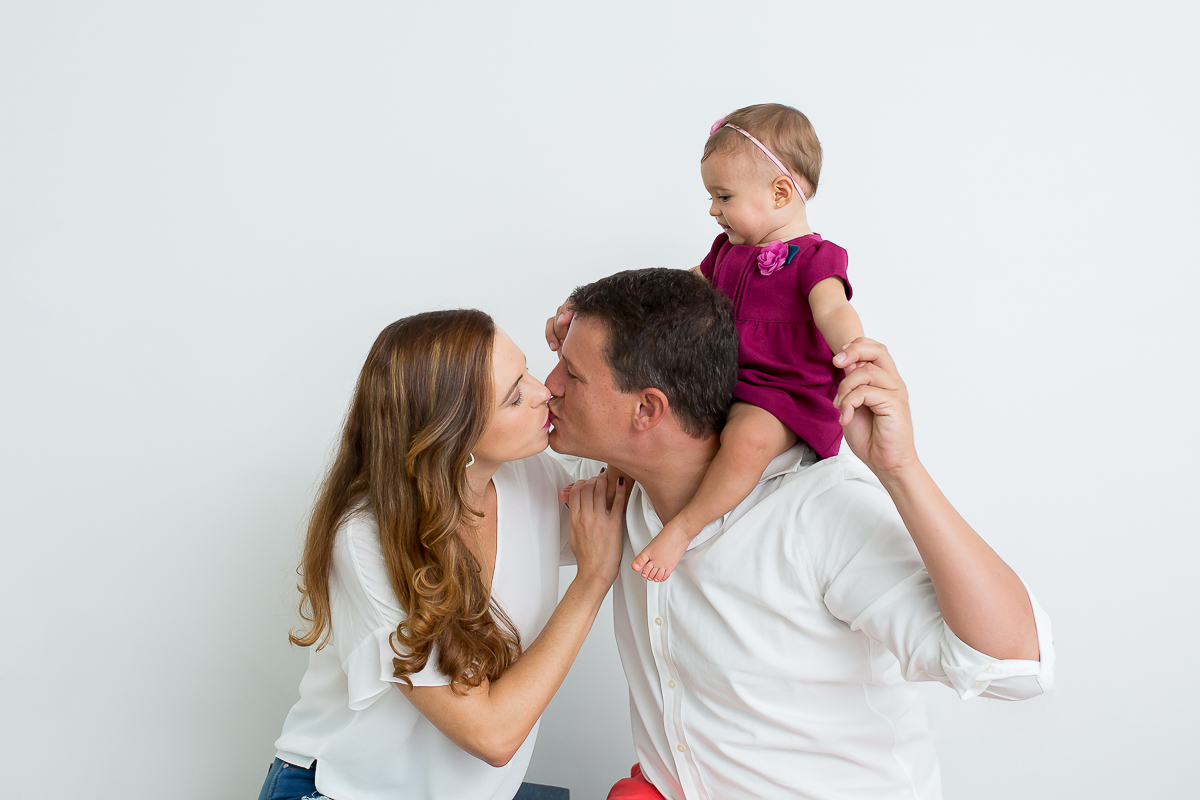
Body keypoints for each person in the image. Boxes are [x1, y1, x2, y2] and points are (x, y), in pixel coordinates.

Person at [543, 269, 1055, 800]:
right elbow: (471, 495)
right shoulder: (610, 492)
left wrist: (900, 469)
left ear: (647, 409)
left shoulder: (819, 510)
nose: (547, 386)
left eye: (571, 374)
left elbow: (1015, 669)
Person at [260, 309, 627, 800]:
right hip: (342, 789)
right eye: (515, 395)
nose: (546, 393)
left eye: (528, 371)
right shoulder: (367, 538)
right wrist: (591, 581)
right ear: (451, 437)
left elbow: (639, 469)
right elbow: (491, 735)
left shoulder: (528, 476)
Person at [552, 103, 865, 583]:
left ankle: (684, 528)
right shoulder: (726, 253)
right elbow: (673, 297)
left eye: (723, 196)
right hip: (726, 379)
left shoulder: (817, 259)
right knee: (651, 425)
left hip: (783, 392)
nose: (714, 210)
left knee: (746, 439)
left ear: (781, 192)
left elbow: (832, 308)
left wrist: (856, 352)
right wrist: (587, 314)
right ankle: (611, 485)